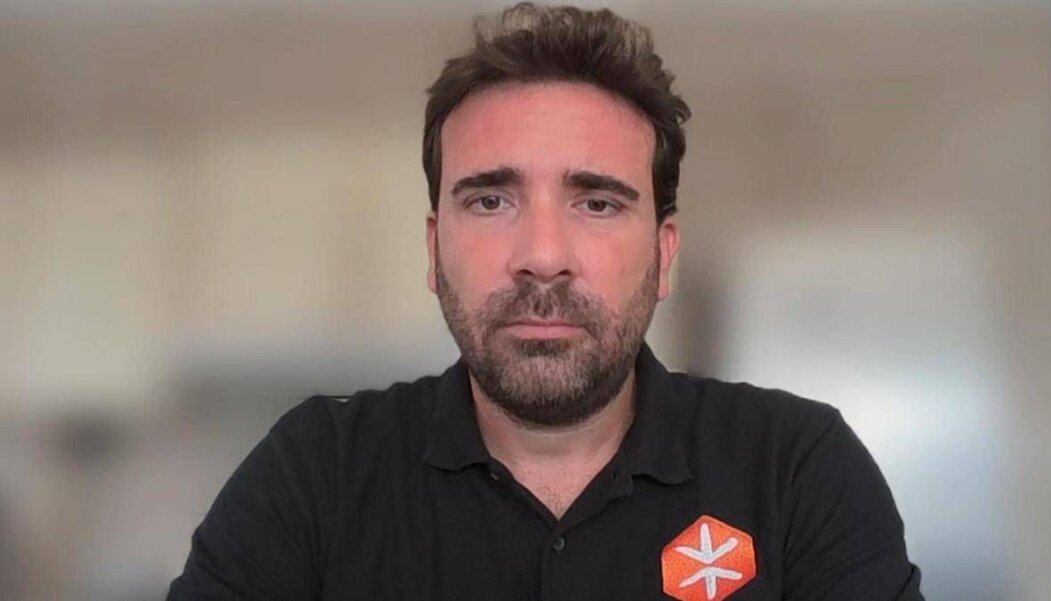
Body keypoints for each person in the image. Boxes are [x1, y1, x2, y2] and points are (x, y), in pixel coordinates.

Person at [167, 3, 923, 600]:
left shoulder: (795, 470)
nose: (543, 255)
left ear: (664, 254)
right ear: (434, 249)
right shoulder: (317, 474)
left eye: (597, 203)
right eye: (491, 200)